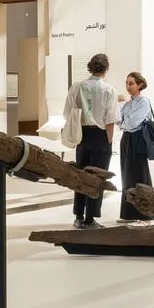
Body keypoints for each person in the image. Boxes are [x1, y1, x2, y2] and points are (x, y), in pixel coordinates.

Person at [64, 53, 119, 226]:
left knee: (81, 176)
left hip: (82, 135)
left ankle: (78, 217)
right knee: (97, 178)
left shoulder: (77, 86)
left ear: (90, 67)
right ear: (106, 69)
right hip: (100, 136)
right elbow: (110, 120)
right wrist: (109, 142)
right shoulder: (108, 89)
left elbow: (67, 113)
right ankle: (91, 218)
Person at [117, 72, 154, 222]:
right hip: (126, 139)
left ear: (139, 85)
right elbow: (118, 120)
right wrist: (124, 122)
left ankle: (144, 213)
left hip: (138, 139)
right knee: (126, 176)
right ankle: (128, 213)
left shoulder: (144, 102)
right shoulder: (128, 103)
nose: (128, 86)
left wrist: (124, 122)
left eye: (131, 83)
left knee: (140, 175)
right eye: (127, 83)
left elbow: (131, 123)